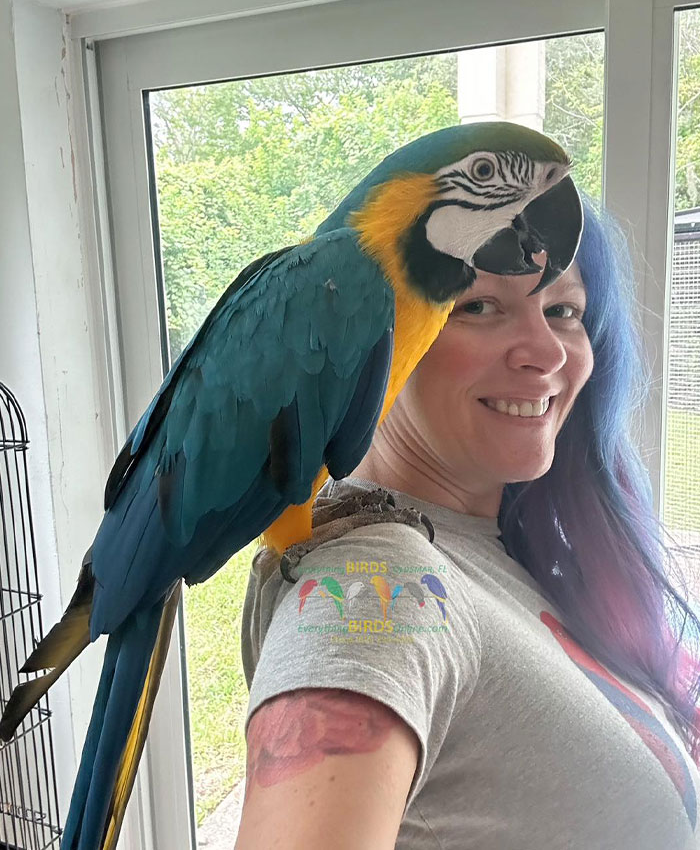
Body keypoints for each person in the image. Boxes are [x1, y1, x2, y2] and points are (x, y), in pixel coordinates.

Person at [234, 196, 700, 849]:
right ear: (372, 334)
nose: (546, 351)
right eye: (477, 306)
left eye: (563, 309)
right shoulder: (376, 589)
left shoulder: (495, 545)